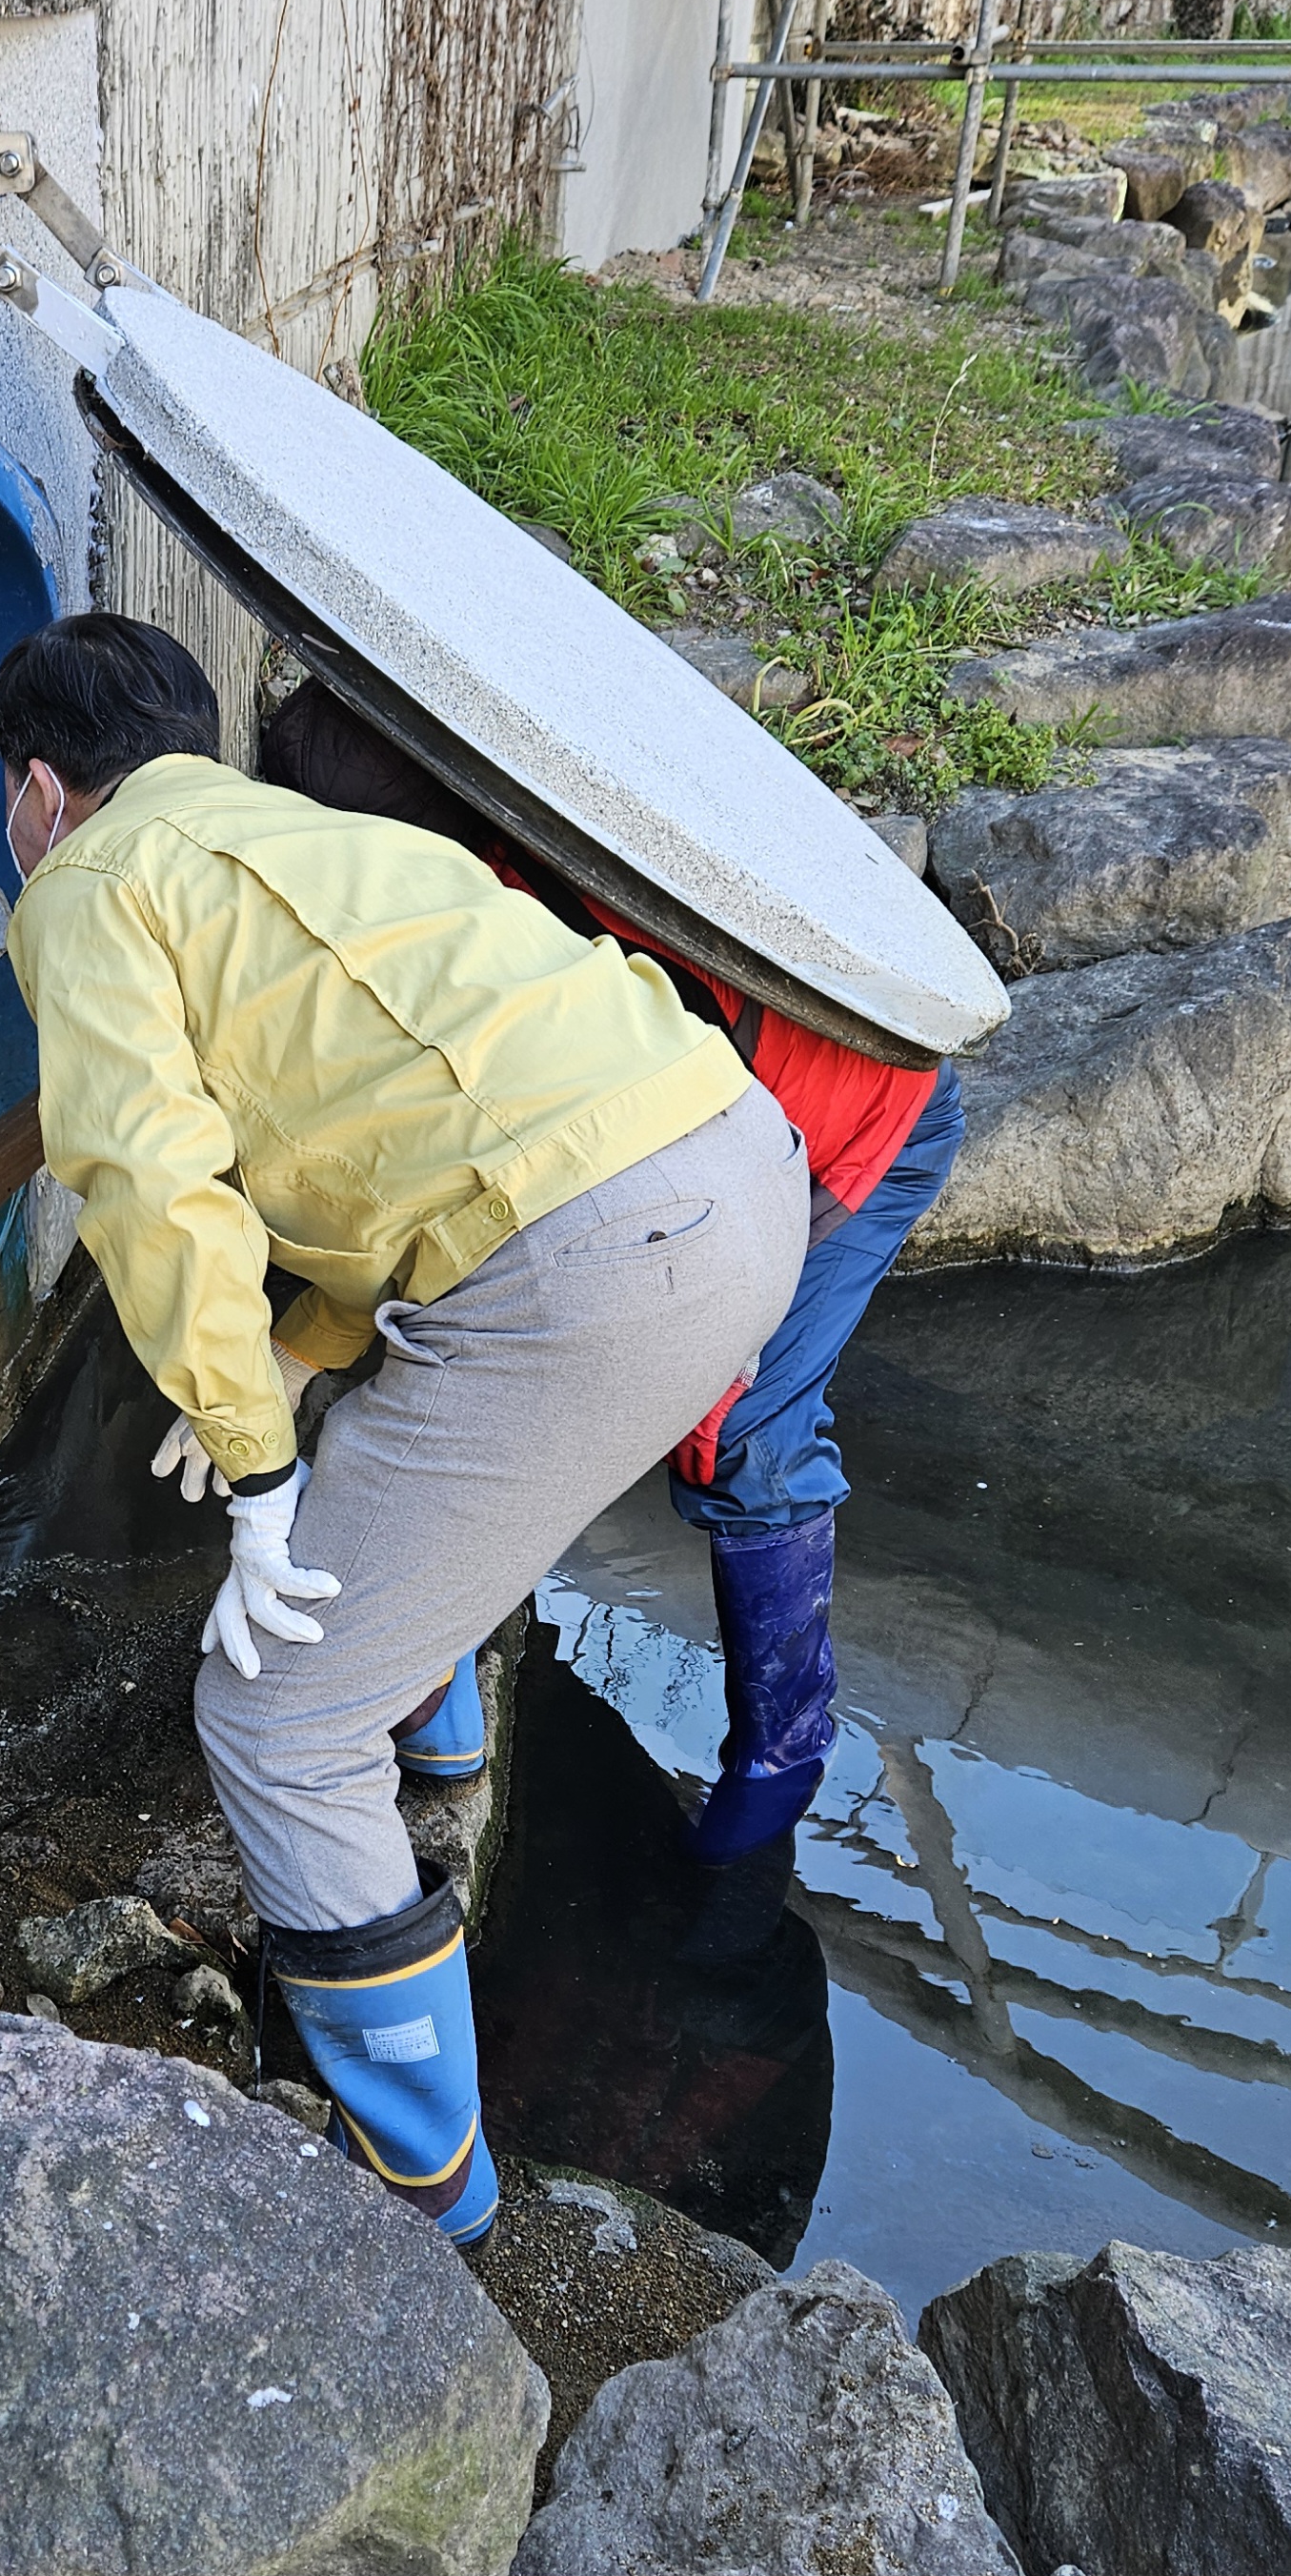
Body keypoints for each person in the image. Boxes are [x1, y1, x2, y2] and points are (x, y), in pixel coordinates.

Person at [0, 611, 811, 2244]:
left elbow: (150, 1189)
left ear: (38, 789)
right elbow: (404, 1136)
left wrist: (255, 1465)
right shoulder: (295, 834)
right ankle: (439, 1736)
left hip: (591, 1255)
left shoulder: (84, 887)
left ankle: (429, 2199)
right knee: (404, 1414)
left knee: (274, 1711)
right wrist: (297, 1355)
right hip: (729, 1156)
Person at [260, 678, 966, 1866]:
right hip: (702, 1108)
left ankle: (777, 1763)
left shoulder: (512, 917)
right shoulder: (439, 889)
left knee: (737, 1424)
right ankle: (433, 1713)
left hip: (851, 1110)